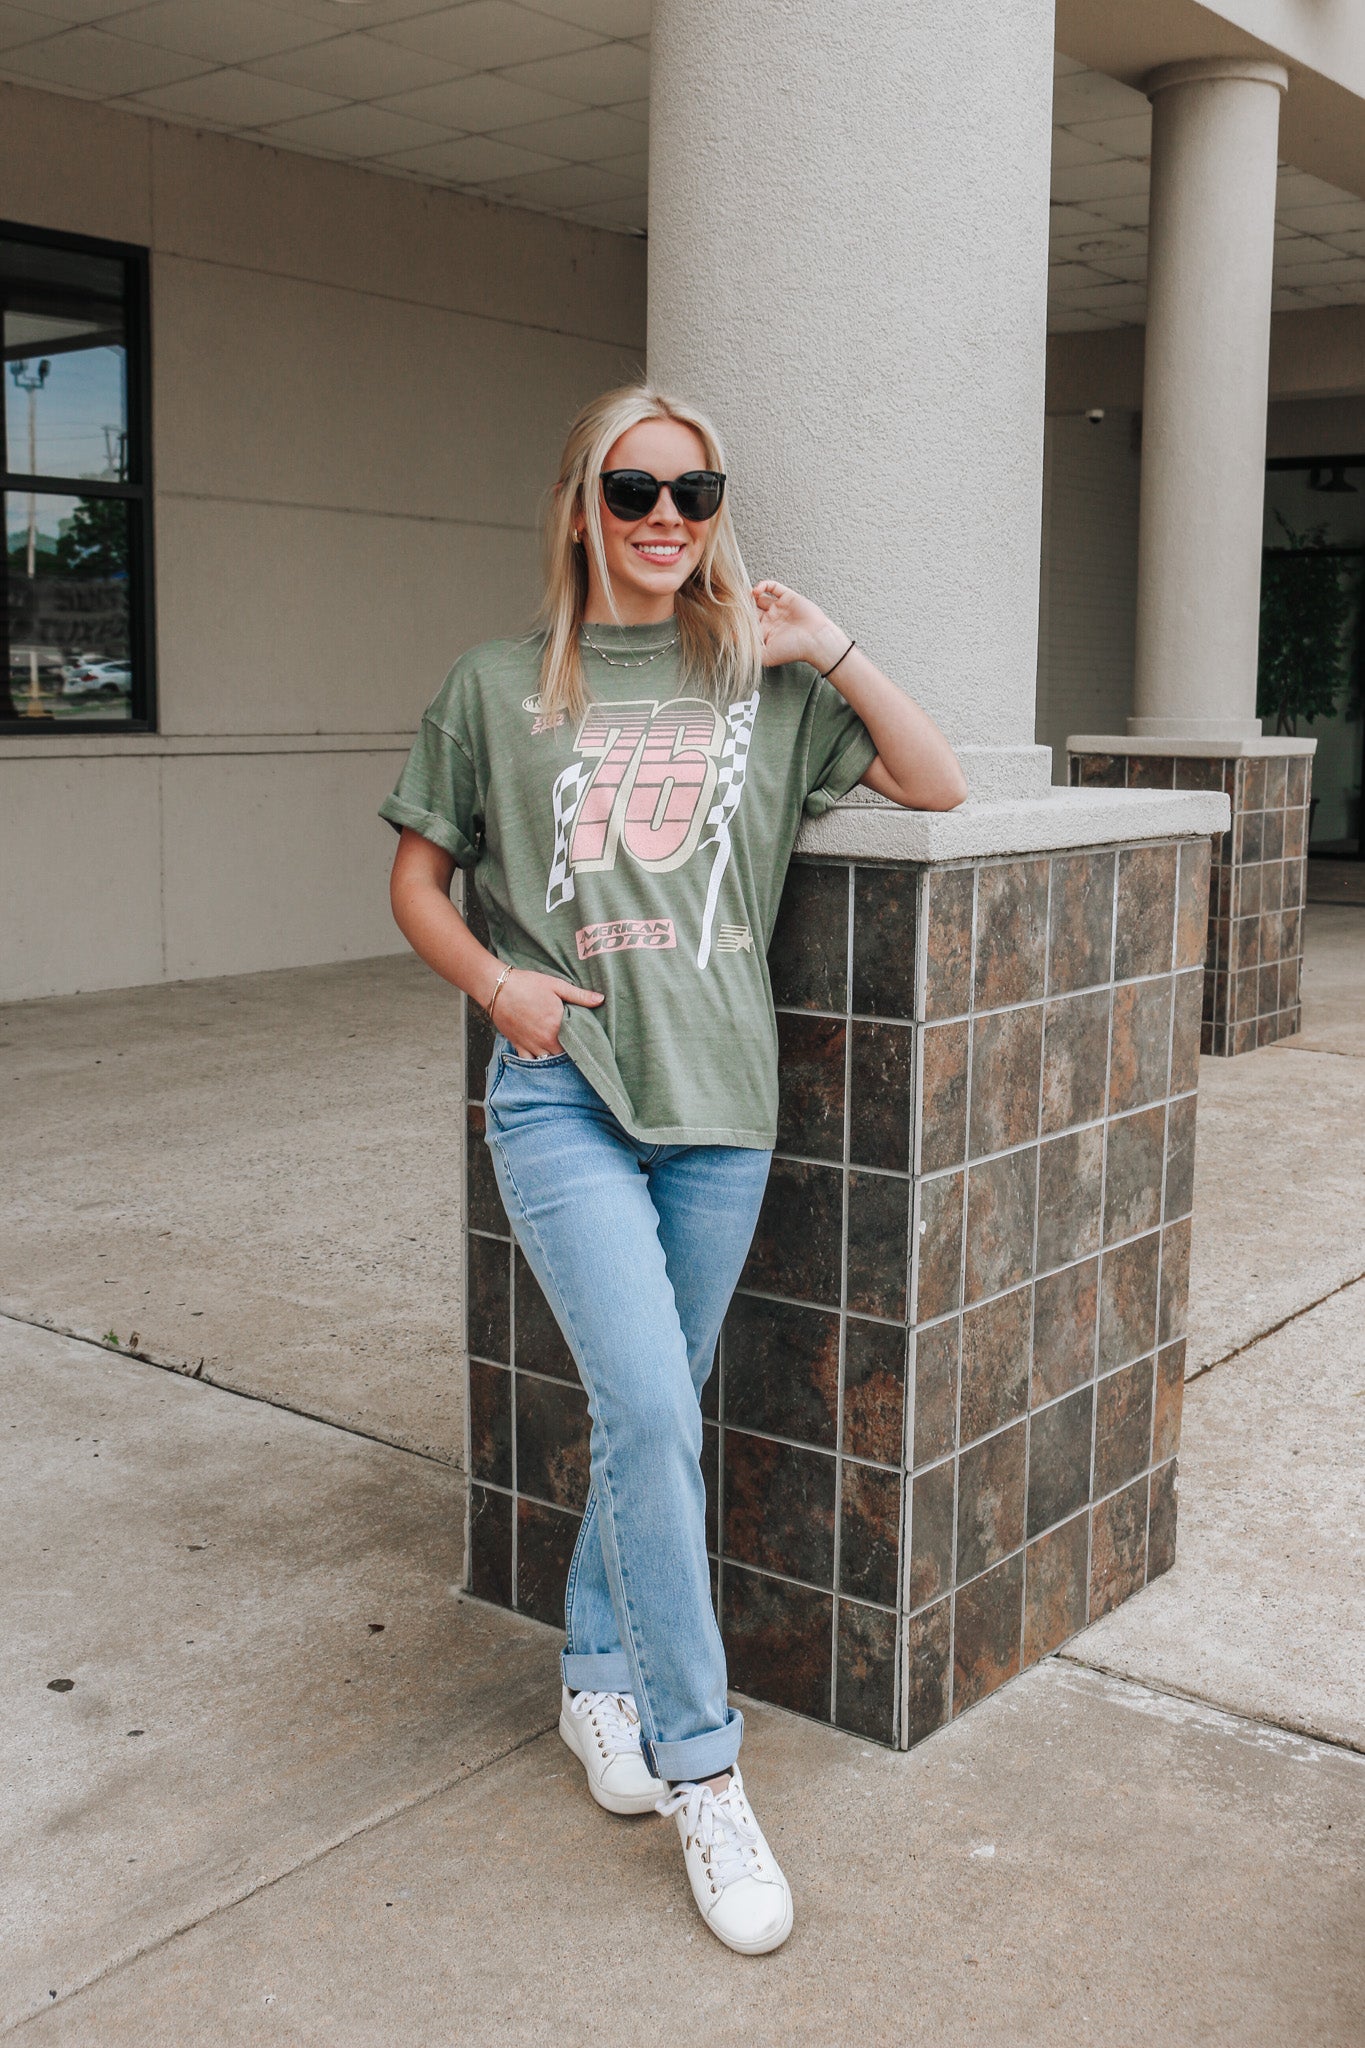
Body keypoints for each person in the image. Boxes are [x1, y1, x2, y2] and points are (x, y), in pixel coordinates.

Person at [381, 384, 965, 1956]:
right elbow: (417, 881)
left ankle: (595, 1673)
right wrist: (496, 986)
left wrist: (827, 645)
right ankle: (705, 1775)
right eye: (631, 490)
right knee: (648, 1412)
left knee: (654, 1421)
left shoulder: (756, 683)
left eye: (691, 493)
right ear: (580, 506)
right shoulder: (495, 685)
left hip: (722, 1104)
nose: (661, 519)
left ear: (714, 511)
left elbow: (935, 783)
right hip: (561, 1092)